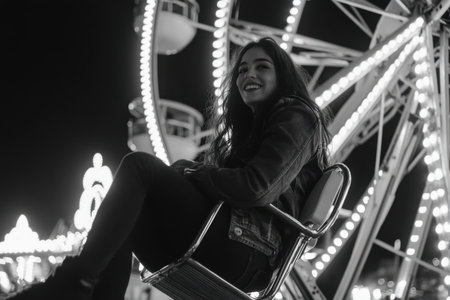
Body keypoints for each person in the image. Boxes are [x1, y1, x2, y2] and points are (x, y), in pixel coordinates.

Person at [7, 37, 331, 300]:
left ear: (283, 76)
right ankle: (82, 286)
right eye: (242, 70)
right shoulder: (259, 128)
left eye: (263, 67)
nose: (249, 75)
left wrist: (192, 173)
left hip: (248, 251)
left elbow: (254, 187)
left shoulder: (297, 116)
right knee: (127, 213)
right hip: (237, 250)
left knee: (139, 167)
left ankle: (72, 282)